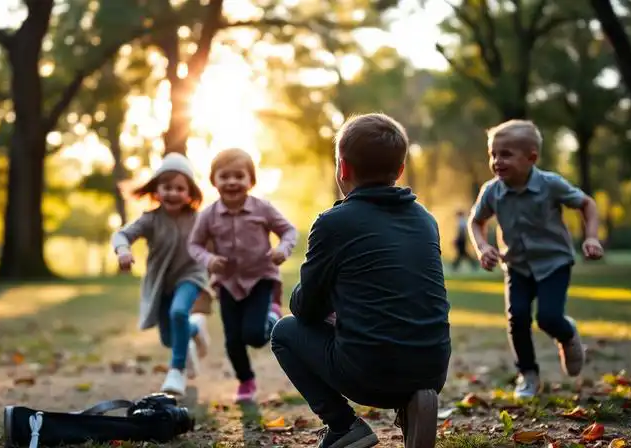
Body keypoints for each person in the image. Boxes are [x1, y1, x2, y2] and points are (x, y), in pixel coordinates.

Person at [270, 113, 451, 448]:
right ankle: (411, 405)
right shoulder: (426, 220)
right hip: (432, 369)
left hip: (370, 376)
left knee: (283, 331)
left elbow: (305, 308)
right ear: (399, 170)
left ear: (343, 168)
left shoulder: (334, 223)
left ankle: (343, 426)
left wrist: (330, 305)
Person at [468, 119, 603, 399]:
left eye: (506, 154)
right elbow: (476, 221)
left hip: (553, 262)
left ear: (531, 157)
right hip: (516, 265)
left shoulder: (550, 184)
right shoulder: (491, 191)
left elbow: (586, 204)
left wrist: (591, 237)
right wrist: (482, 247)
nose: (497, 161)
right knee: (517, 318)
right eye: (493, 154)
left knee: (549, 318)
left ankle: (567, 335)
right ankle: (527, 374)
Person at [188, 148, 298, 403]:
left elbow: (288, 231)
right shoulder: (208, 215)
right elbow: (194, 245)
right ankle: (246, 380)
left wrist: (282, 249)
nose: (232, 182)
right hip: (227, 283)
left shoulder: (262, 208)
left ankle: (271, 317)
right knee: (232, 340)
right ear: (214, 181)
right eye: (224, 176)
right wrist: (209, 259)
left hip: (260, 279)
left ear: (251, 181)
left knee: (253, 336)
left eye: (239, 176)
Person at [110, 153, 212, 396]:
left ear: (190, 192)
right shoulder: (151, 220)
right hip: (162, 284)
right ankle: (195, 327)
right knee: (170, 338)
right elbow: (121, 235)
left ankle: (176, 371)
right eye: (167, 187)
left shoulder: (198, 219)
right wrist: (123, 249)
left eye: (180, 188)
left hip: (191, 276)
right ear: (156, 189)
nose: (173, 193)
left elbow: (218, 240)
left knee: (178, 312)